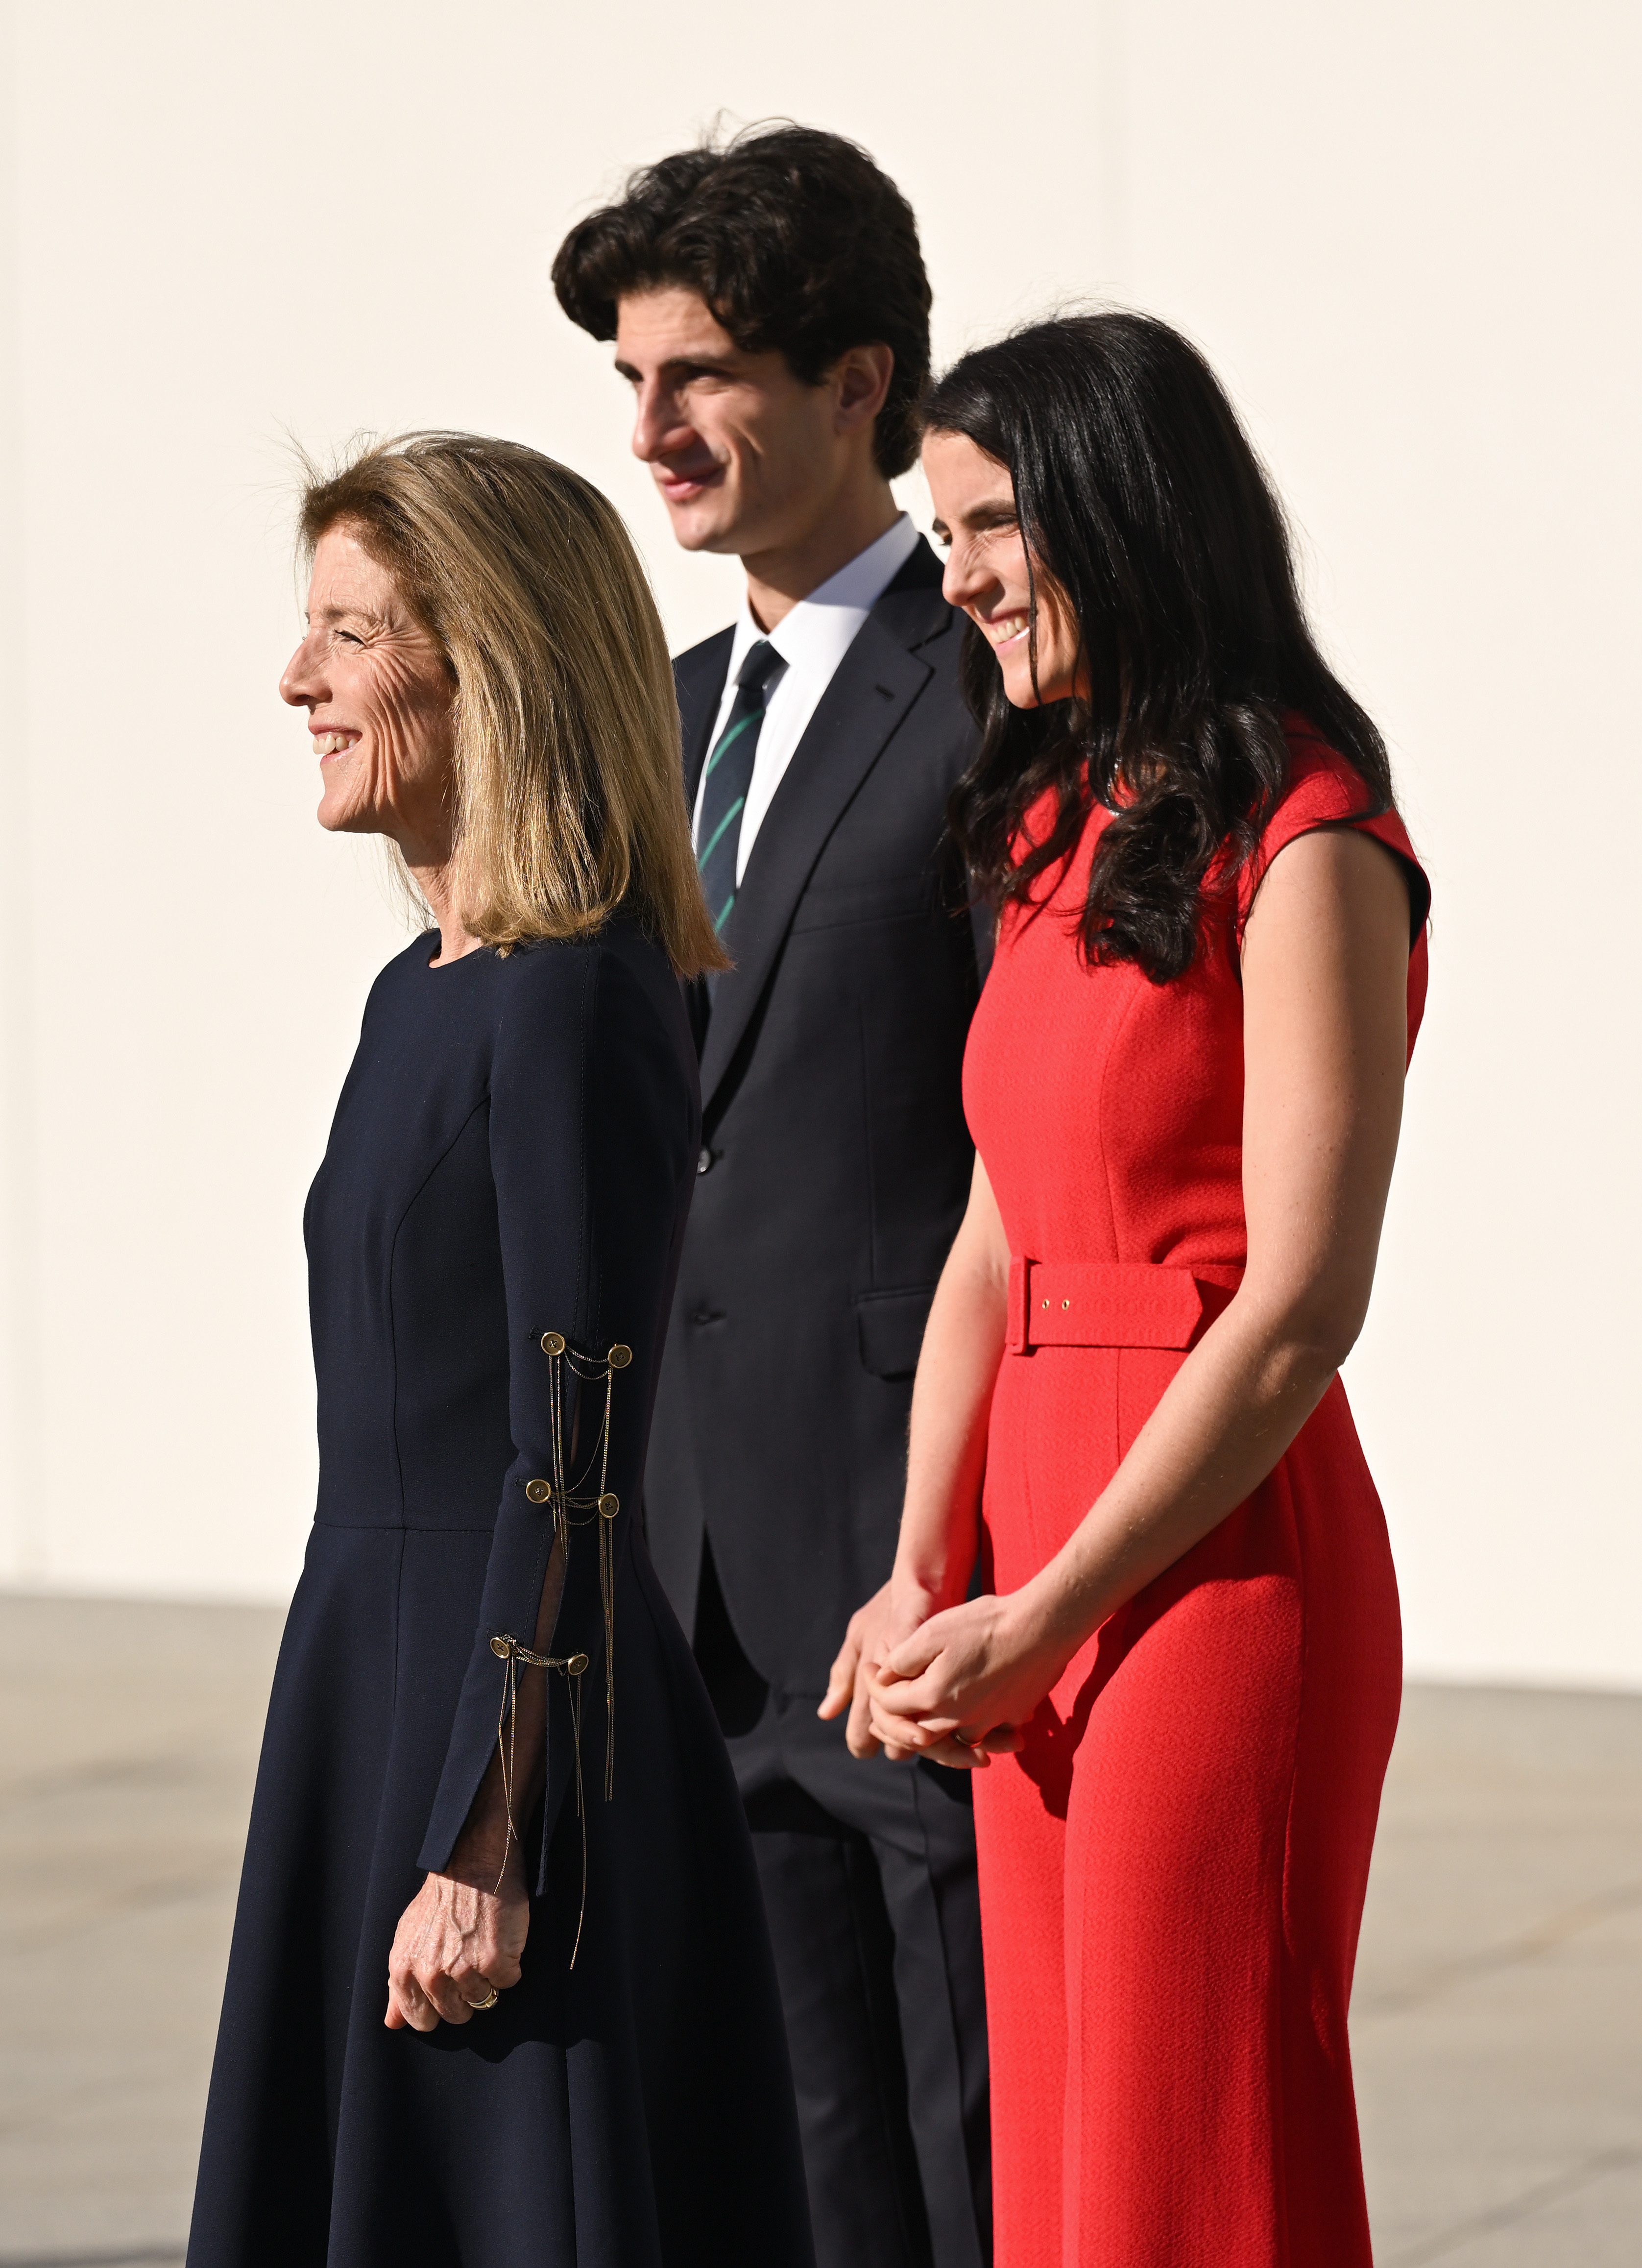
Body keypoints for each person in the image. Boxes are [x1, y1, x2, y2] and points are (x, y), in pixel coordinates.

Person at [828, 314, 1431, 2268]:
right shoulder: (1051, 824)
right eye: (943, 533)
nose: (964, 575)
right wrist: (924, 1567)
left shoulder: (1313, 835)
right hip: (1026, 1551)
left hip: (1208, 1555)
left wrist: (1049, 1604)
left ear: (1125, 504)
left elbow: (1296, 1312)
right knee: (1075, 2176)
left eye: (994, 521)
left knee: (1197, 2159)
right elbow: (993, 1236)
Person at [187, 433, 814, 2268]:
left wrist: (489, 1830)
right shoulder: (424, 998)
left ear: (494, 665)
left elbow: (575, 1445)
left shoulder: (572, 1003)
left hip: (509, 1731)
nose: (299, 681)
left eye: (352, 635)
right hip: (365, 1683)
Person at [553, 126, 990, 2268]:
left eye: (694, 374)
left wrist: (968, 1541)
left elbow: (1035, 1133)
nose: (646, 432)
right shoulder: (659, 712)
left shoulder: (992, 680)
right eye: (628, 380)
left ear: (855, 384)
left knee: (969, 2151)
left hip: (917, 1569)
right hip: (697, 1579)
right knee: (804, 2187)